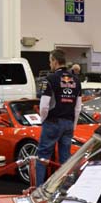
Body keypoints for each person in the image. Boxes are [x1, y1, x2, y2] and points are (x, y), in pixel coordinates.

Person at [36, 49, 82, 184]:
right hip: (69, 123)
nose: (50, 64)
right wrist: (73, 125)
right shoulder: (76, 80)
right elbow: (78, 107)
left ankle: (38, 188)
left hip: (53, 122)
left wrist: (43, 120)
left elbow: (44, 106)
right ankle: (64, 189)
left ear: (55, 61)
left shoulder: (49, 79)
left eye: (50, 61)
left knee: (42, 157)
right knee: (65, 159)